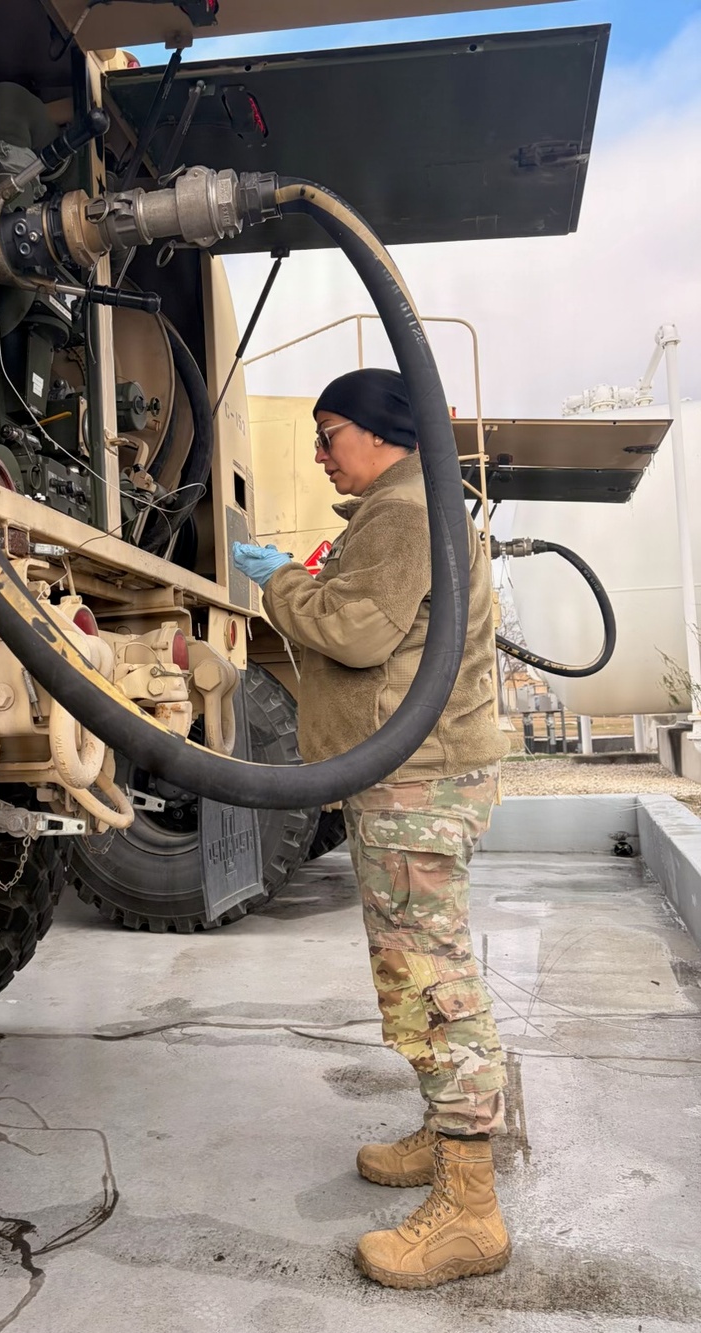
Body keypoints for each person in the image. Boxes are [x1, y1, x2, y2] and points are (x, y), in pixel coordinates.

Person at [231, 368, 512, 1291]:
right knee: (416, 963)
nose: (318, 453)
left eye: (330, 433)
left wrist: (279, 591)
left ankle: (470, 1209)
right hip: (418, 774)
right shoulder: (409, 508)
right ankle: (445, 1135)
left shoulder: (400, 514)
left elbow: (354, 631)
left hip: (415, 782)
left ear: (386, 433)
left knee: (432, 975)